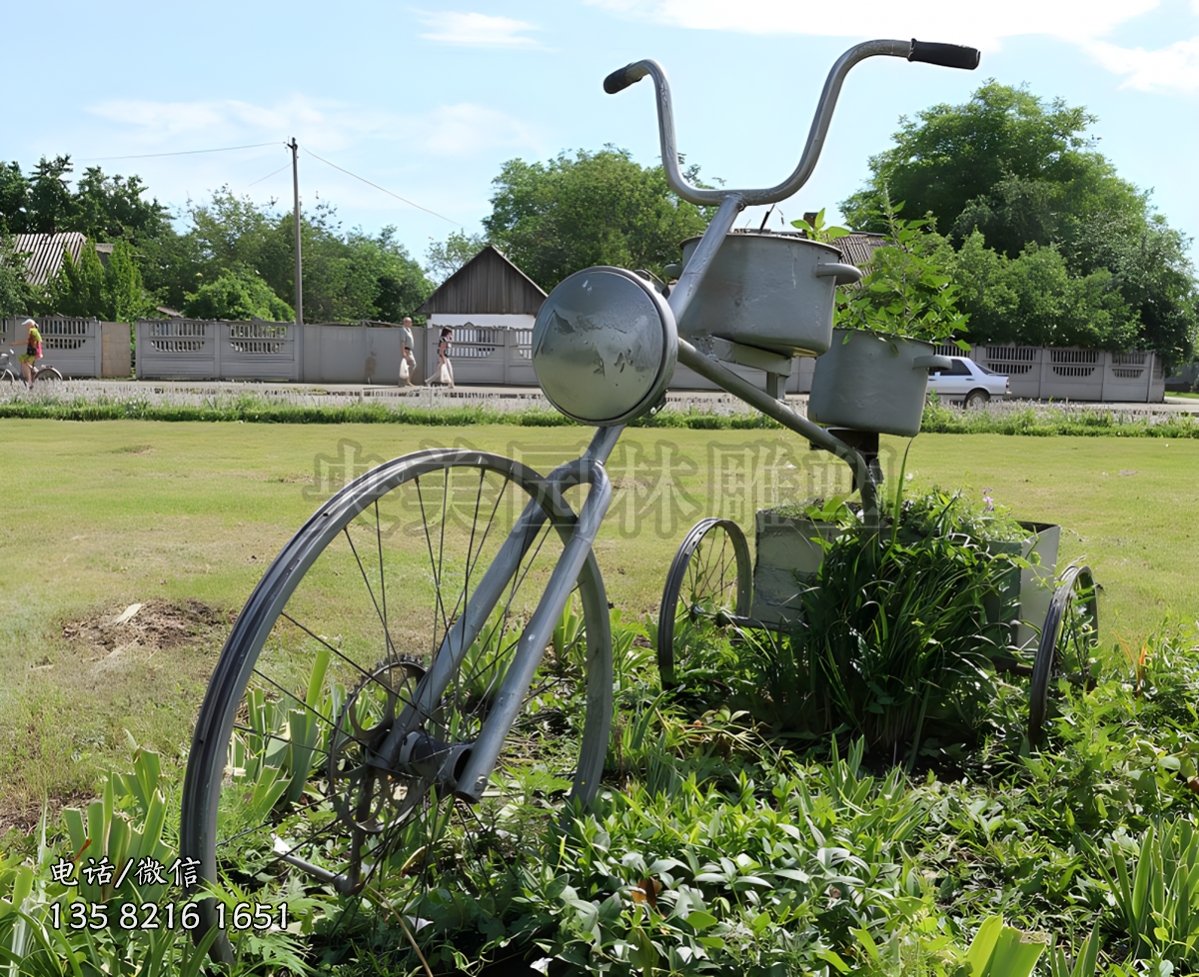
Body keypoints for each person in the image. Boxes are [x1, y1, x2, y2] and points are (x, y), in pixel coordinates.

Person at [10, 318, 42, 390]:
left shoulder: (32, 331)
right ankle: (29, 377)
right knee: (23, 360)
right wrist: (16, 343)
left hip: (33, 352)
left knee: (25, 362)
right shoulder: (34, 331)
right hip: (33, 352)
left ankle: (29, 382)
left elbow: (33, 342)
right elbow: (30, 341)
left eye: (27, 325)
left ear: (30, 325)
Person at [399, 316, 417, 386]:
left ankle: (406, 380)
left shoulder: (409, 330)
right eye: (410, 322)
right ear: (406, 322)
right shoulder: (403, 330)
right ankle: (404, 381)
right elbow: (403, 342)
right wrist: (403, 351)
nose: (411, 323)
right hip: (406, 350)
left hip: (410, 350)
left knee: (409, 365)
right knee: (409, 365)